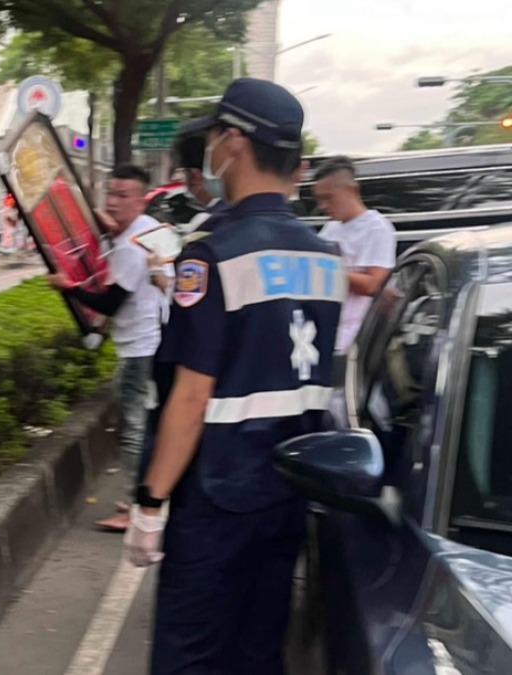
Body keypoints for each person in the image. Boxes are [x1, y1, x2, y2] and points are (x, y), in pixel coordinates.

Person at [127, 79, 345, 675]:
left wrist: (151, 503)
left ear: (234, 142)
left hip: (220, 495)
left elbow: (191, 397)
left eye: (217, 138)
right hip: (290, 491)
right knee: (258, 650)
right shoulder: (325, 257)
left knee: (191, 656)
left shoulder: (213, 254)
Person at [47, 165, 167, 532]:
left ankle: (136, 508)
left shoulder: (131, 247)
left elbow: (111, 303)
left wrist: (68, 287)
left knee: (133, 428)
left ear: (141, 198)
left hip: (140, 348)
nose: (113, 202)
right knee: (147, 426)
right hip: (156, 341)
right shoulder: (150, 230)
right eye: (110, 194)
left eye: (123, 195)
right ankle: (147, 496)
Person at [314, 155, 396, 357]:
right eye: (319, 199)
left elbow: (372, 284)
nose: (323, 206)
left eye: (328, 198)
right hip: (326, 332)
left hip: (357, 341)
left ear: (352, 190)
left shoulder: (377, 228)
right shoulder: (330, 229)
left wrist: (326, 270)